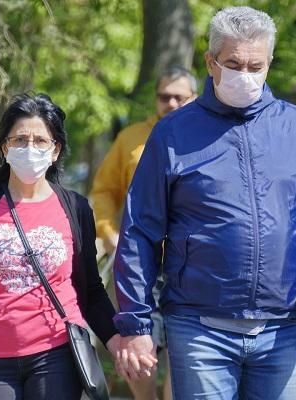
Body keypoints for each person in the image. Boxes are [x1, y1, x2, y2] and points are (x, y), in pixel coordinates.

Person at [112, 6, 296, 400]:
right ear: (210, 62)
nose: (245, 74)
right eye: (234, 63)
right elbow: (140, 231)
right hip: (199, 328)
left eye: (255, 65)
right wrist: (137, 325)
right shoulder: (172, 134)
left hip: (283, 328)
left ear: (269, 63)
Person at [0, 93, 122, 400]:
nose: (30, 148)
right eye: (20, 139)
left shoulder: (75, 208)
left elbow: (90, 289)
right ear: (4, 147)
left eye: (40, 140)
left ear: (56, 150)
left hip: (56, 355)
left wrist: (116, 340)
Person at [90, 66, 197, 400]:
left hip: (190, 265)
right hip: (141, 265)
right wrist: (108, 232)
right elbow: (104, 191)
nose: (172, 103)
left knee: (185, 354)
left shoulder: (205, 136)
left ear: (193, 98)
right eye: (165, 96)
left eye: (180, 97)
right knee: (138, 352)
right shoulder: (132, 138)